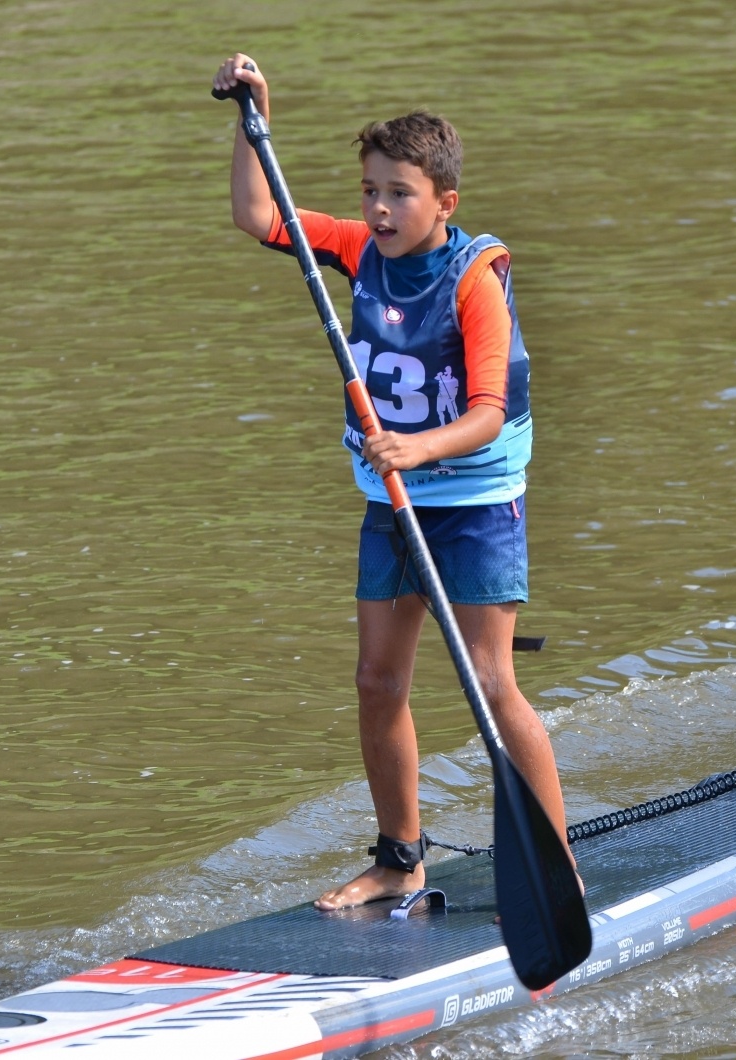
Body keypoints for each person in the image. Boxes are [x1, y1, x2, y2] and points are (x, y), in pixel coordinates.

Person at [213, 55, 576, 910]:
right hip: (390, 502)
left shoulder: (473, 280)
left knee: (490, 683)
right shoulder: (353, 248)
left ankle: (555, 865)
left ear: (443, 203)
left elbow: (487, 412)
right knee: (378, 682)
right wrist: (253, 114)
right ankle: (400, 860)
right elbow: (255, 214)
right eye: (370, 189)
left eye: (400, 193)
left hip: (475, 501)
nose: (378, 208)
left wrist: (416, 449)